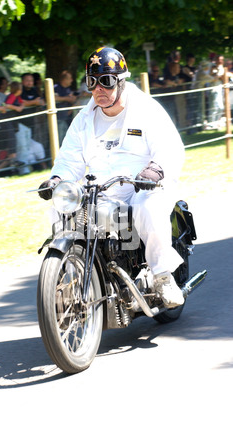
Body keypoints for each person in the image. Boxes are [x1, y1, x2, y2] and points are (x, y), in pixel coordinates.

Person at [38, 46, 186, 309]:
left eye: (106, 81)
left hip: (142, 185)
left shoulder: (147, 109)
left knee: (147, 209)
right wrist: (57, 179)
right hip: (100, 188)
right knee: (61, 211)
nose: (98, 89)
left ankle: (162, 275)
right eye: (92, 82)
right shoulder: (84, 119)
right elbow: (69, 158)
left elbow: (170, 147)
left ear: (121, 80)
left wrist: (155, 169)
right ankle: (68, 276)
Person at [54, 70, 78, 145]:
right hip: (58, 119)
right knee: (59, 140)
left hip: (67, 118)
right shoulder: (56, 87)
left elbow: (71, 100)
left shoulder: (68, 89)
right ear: (64, 79)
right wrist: (67, 98)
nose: (72, 80)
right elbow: (53, 98)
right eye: (70, 78)